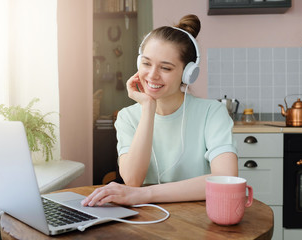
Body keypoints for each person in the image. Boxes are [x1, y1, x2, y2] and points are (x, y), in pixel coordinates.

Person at [82, 14, 238, 207]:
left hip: (198, 221)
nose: (152, 75)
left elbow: (226, 179)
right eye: (146, 63)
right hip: (147, 220)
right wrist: (148, 107)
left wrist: (146, 194)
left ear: (188, 73)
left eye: (165, 68)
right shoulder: (127, 117)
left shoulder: (212, 113)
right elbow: (132, 180)